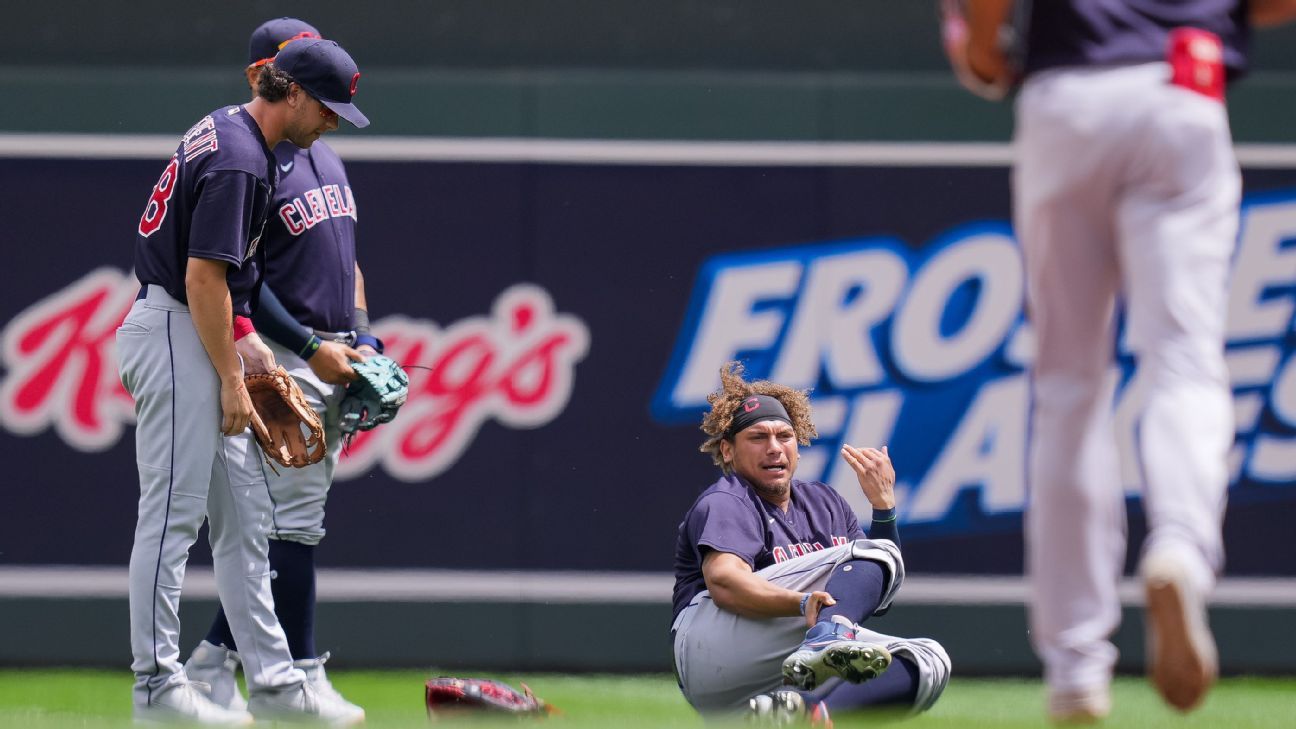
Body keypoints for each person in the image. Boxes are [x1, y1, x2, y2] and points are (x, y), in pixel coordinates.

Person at [946, 0, 1296, 721]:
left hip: (1068, 94)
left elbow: (981, 21)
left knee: (1069, 387)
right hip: (1182, 86)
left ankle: (1076, 667)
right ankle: (1180, 552)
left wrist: (984, 44)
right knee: (1184, 359)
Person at [117, 36, 369, 725]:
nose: (332, 122)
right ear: (292, 92)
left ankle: (278, 682)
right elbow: (202, 276)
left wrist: (249, 344)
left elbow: (227, 279)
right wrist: (233, 375)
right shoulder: (241, 158)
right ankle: (156, 688)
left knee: (248, 520)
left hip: (200, 328)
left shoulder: (235, 136)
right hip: (176, 328)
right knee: (171, 519)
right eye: (328, 107)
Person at [670, 363, 950, 725]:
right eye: (758, 438)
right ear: (727, 451)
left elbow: (875, 595)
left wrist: (883, 508)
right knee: (870, 556)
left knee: (927, 661)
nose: (774, 448)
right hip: (715, 644)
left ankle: (808, 713)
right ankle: (826, 637)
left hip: (782, 665)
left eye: (784, 436)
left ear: (798, 446)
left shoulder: (826, 503)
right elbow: (724, 583)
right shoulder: (728, 499)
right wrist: (804, 604)